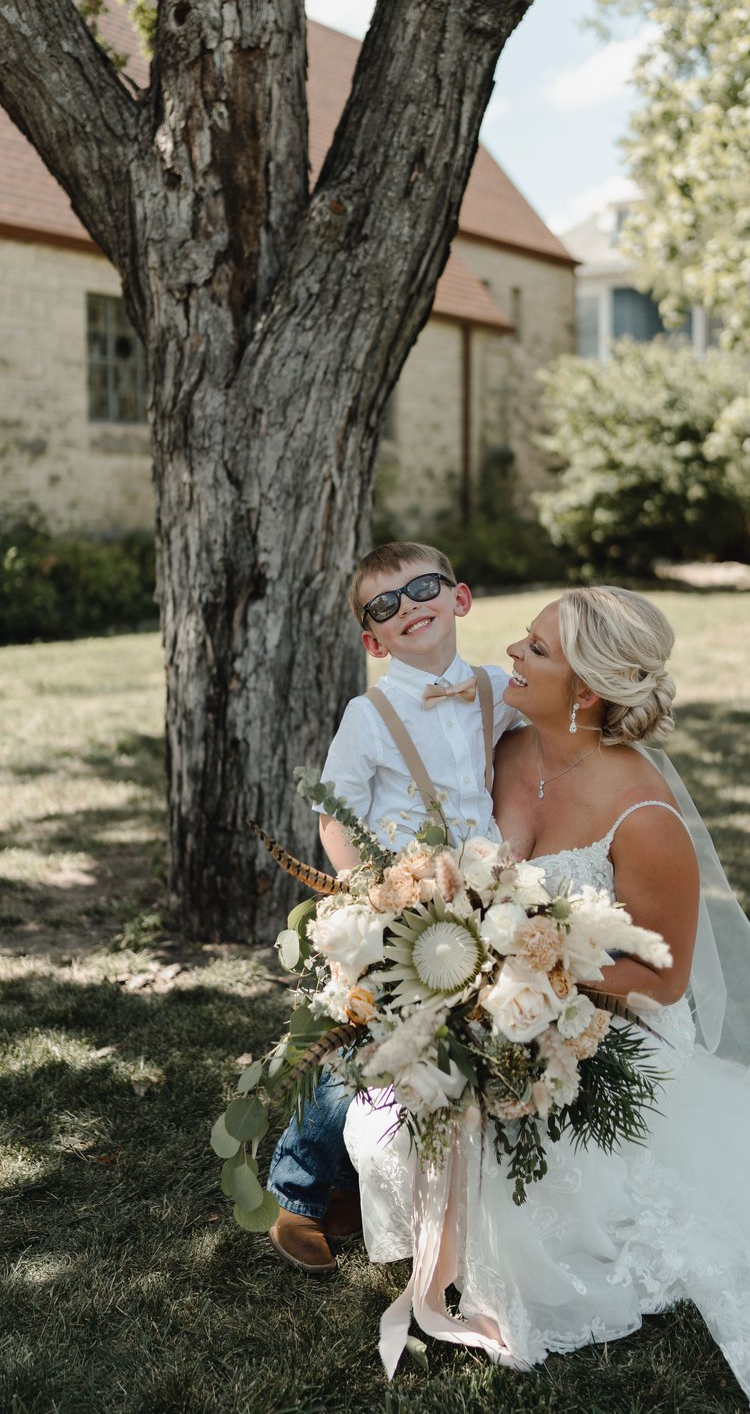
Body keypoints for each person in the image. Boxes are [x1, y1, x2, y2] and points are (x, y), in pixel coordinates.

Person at [345, 585, 750, 1411]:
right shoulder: (507, 746)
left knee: (536, 1182)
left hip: (612, 1029)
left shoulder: (643, 815)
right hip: (502, 1004)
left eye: (536, 647)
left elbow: (664, 979)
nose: (511, 651)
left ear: (585, 690)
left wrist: (524, 975)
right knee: (387, 1112)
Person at [267, 541, 521, 1272]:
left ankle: (373, 1182)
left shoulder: (499, 688)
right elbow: (333, 813)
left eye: (423, 589)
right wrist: (366, 895)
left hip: (481, 898)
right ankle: (301, 1194)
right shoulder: (369, 712)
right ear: (373, 640)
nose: (409, 607)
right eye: (386, 606)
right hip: (398, 901)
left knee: (440, 1051)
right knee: (361, 1041)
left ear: (460, 599)